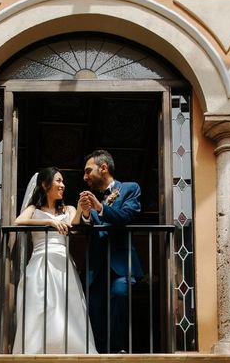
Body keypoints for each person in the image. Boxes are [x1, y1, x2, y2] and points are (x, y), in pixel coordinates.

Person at [12, 167, 97, 354]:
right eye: (58, 181)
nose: (62, 185)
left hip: (63, 264)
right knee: (41, 307)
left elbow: (75, 223)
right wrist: (49, 222)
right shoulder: (33, 209)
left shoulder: (68, 209)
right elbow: (19, 222)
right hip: (40, 262)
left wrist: (83, 209)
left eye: (62, 181)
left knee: (66, 309)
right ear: (44, 184)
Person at [78, 150, 143, 353]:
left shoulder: (130, 189)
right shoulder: (95, 201)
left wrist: (101, 208)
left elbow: (125, 216)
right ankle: (101, 354)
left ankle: (116, 350)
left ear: (103, 168)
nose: (84, 177)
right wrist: (87, 214)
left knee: (120, 293)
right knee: (95, 314)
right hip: (96, 270)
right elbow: (86, 230)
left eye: (88, 171)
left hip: (122, 265)